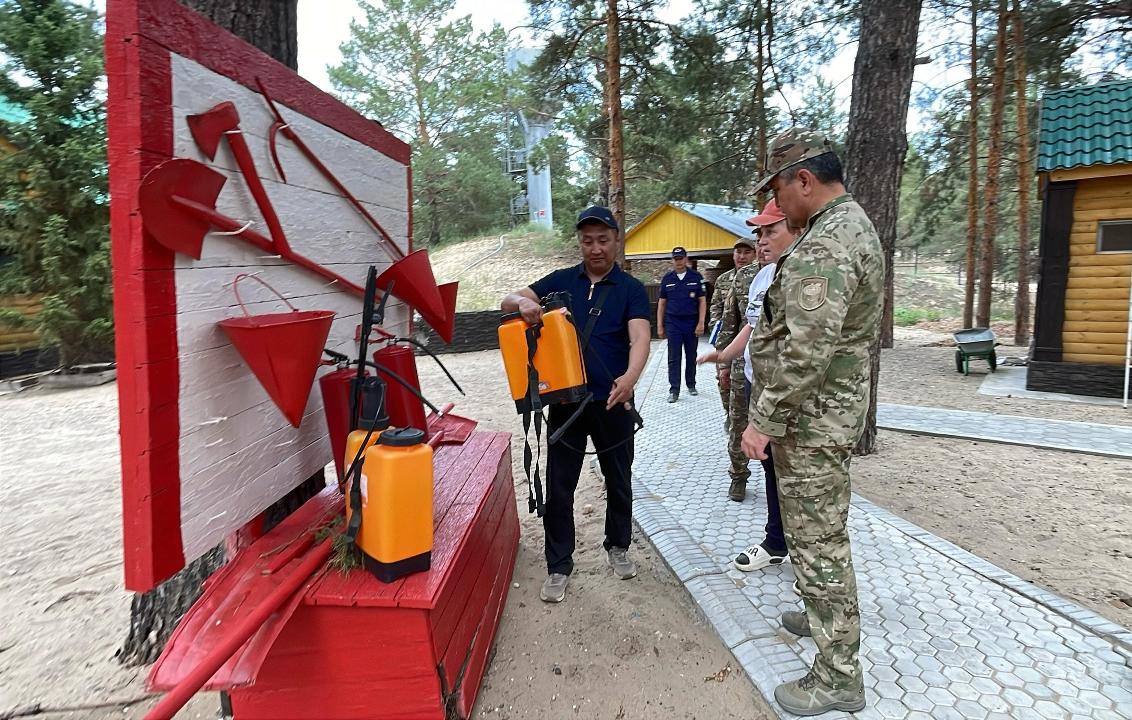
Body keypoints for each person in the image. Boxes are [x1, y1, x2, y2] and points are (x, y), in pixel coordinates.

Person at [742, 129, 883, 716]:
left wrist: (763, 423)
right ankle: (825, 618)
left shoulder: (826, 245)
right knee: (817, 533)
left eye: (778, 188)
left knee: (820, 540)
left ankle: (838, 676)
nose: (777, 204)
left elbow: (805, 350)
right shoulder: (848, 227)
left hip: (812, 420)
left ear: (804, 179)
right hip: (828, 414)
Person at [500, 206, 651, 604]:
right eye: (588, 241)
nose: (596, 248)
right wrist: (523, 304)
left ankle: (617, 546)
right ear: (579, 242)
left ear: (616, 240)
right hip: (565, 403)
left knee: (619, 480)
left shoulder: (631, 289)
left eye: (603, 240)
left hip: (613, 401)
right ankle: (558, 564)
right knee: (560, 485)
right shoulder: (561, 280)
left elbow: (639, 339)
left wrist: (631, 378)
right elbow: (507, 299)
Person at [698, 199, 799, 571]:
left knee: (798, 475)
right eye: (759, 233)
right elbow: (752, 325)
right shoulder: (762, 276)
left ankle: (811, 567)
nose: (761, 241)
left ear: (798, 229)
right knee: (772, 467)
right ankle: (776, 541)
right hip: (761, 387)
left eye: (771, 231)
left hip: (790, 396)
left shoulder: (804, 277)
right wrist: (723, 355)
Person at [708, 238, 759, 501]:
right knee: (738, 423)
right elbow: (728, 323)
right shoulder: (742, 278)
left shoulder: (791, 271)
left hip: (776, 369)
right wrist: (723, 363)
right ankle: (738, 475)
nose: (741, 256)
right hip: (741, 363)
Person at [657, 247, 705, 403]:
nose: (678, 261)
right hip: (673, 323)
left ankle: (691, 384)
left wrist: (701, 323)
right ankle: (674, 390)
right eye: (676, 259)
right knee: (673, 357)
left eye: (681, 258)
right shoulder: (667, 279)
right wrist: (660, 325)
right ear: (673, 260)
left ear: (686, 259)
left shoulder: (696, 277)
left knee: (691, 355)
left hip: (691, 323)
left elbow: (702, 301)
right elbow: (662, 304)